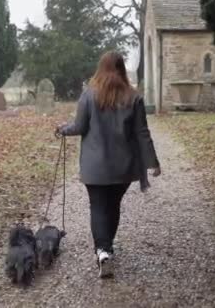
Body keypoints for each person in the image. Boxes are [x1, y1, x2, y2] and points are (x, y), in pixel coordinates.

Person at [56, 51, 161, 278]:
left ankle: (102, 251)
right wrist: (153, 162)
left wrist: (63, 129)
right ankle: (107, 248)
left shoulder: (88, 95)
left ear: (100, 69)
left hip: (95, 167)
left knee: (98, 206)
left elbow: (79, 127)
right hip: (123, 167)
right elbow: (142, 133)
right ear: (122, 69)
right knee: (112, 206)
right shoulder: (134, 97)